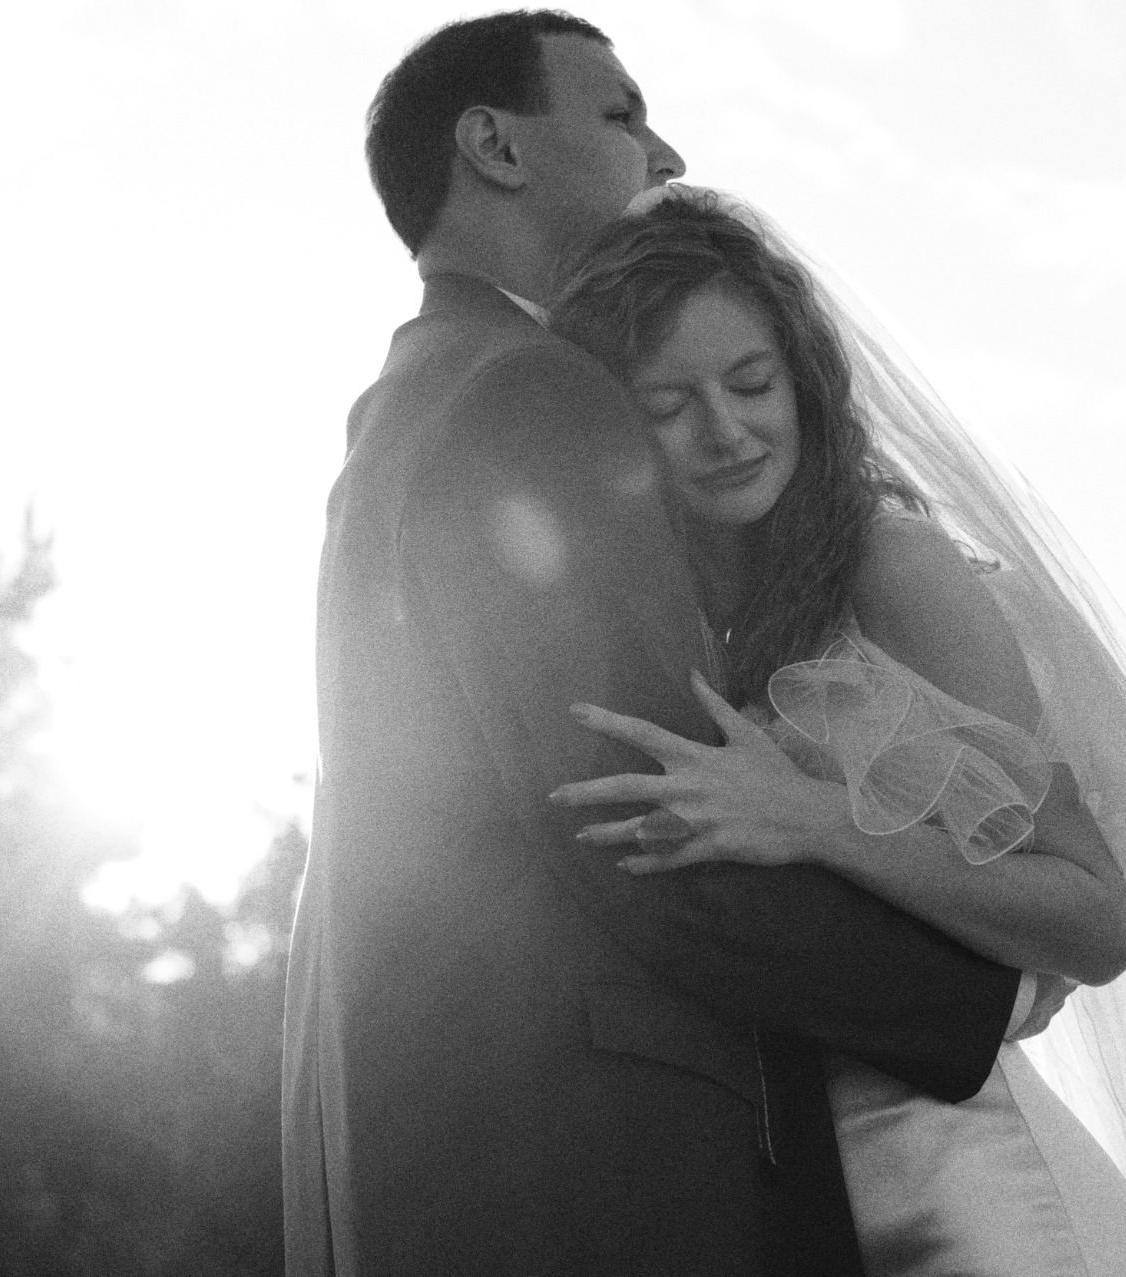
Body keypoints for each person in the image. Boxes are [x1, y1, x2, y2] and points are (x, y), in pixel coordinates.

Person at [285, 12, 1045, 1274]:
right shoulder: (529, 392)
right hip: (600, 1171)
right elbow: (645, 814)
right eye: (622, 114)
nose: (668, 154)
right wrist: (982, 989)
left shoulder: (404, 406)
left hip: (439, 1156)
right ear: (495, 146)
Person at [545, 185, 1126, 1275]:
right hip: (797, 1199)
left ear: (803, 380)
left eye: (751, 382)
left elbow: (1095, 919)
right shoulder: (659, 616)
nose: (726, 429)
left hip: (980, 1195)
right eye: (670, 402)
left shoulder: (893, 568)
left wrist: (811, 819)